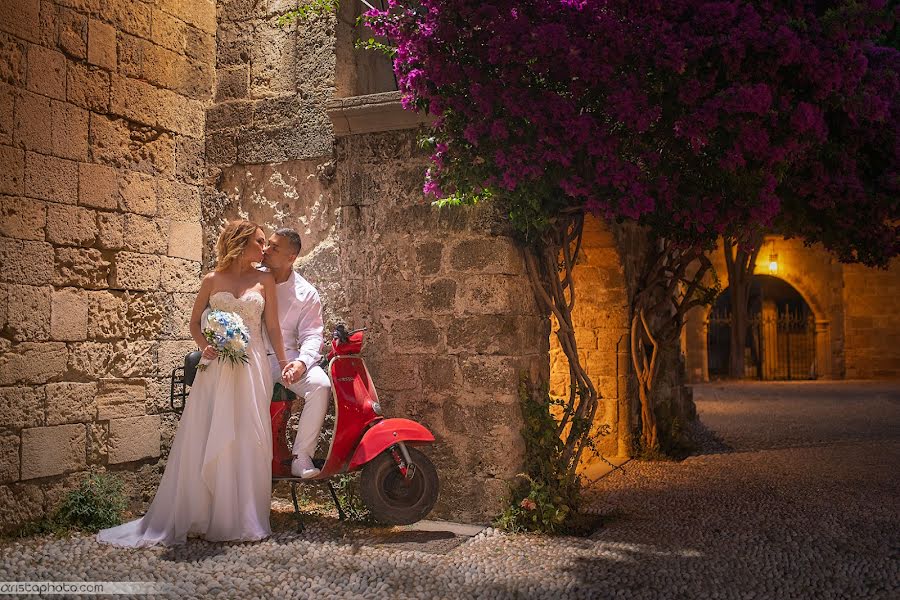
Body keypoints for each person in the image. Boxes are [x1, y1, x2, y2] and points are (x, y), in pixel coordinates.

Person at [97, 221, 293, 547]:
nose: (264, 250)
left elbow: (272, 326)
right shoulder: (212, 280)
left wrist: (284, 364)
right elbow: (193, 323)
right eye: (259, 242)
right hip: (215, 368)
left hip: (251, 367)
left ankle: (241, 518)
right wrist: (205, 345)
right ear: (241, 244)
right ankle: (203, 513)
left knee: (248, 435)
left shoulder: (265, 280)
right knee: (208, 432)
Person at [260, 228, 332, 479]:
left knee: (321, 385)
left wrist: (302, 363)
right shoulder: (252, 278)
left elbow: (313, 334)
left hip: (286, 360)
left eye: (274, 248)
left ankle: (301, 458)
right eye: (267, 244)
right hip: (252, 357)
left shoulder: (306, 293)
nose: (266, 250)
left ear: (291, 257)